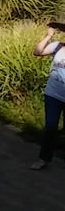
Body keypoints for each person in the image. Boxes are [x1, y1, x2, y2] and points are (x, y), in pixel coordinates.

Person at [35, 21, 65, 170]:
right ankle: (43, 159)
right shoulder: (58, 46)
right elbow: (38, 52)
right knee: (50, 128)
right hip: (53, 94)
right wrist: (48, 37)